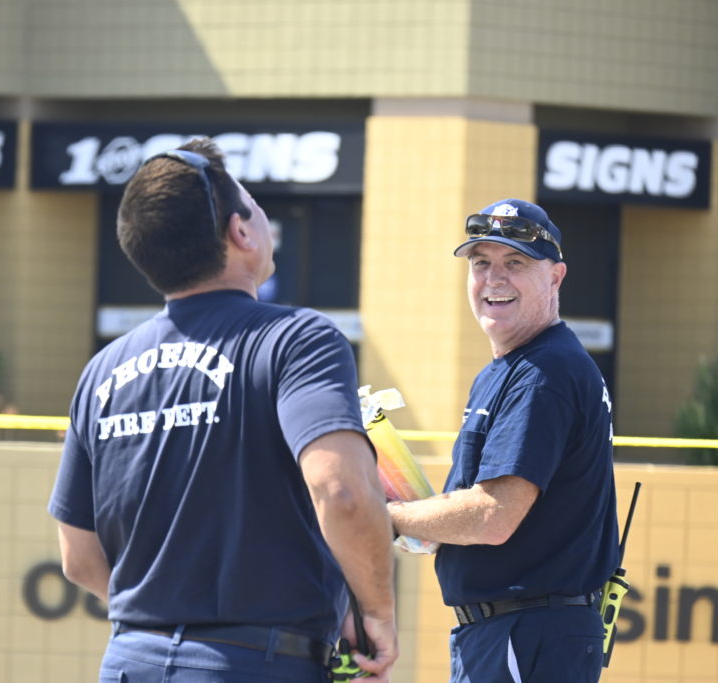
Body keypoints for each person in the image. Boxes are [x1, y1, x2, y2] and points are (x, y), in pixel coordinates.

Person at [47, 137, 397, 682]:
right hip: (256, 664)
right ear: (241, 232)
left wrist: (162, 619)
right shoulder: (297, 339)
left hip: (130, 660)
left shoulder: (101, 372)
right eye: (255, 205)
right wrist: (376, 613)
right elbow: (342, 492)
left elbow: (78, 558)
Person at [387, 198, 619, 682]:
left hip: (526, 631)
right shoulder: (516, 368)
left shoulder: (543, 372)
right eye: (481, 263)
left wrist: (385, 516)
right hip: (515, 631)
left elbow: (493, 517)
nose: (494, 278)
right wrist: (423, 521)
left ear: (555, 278)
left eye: (515, 263)